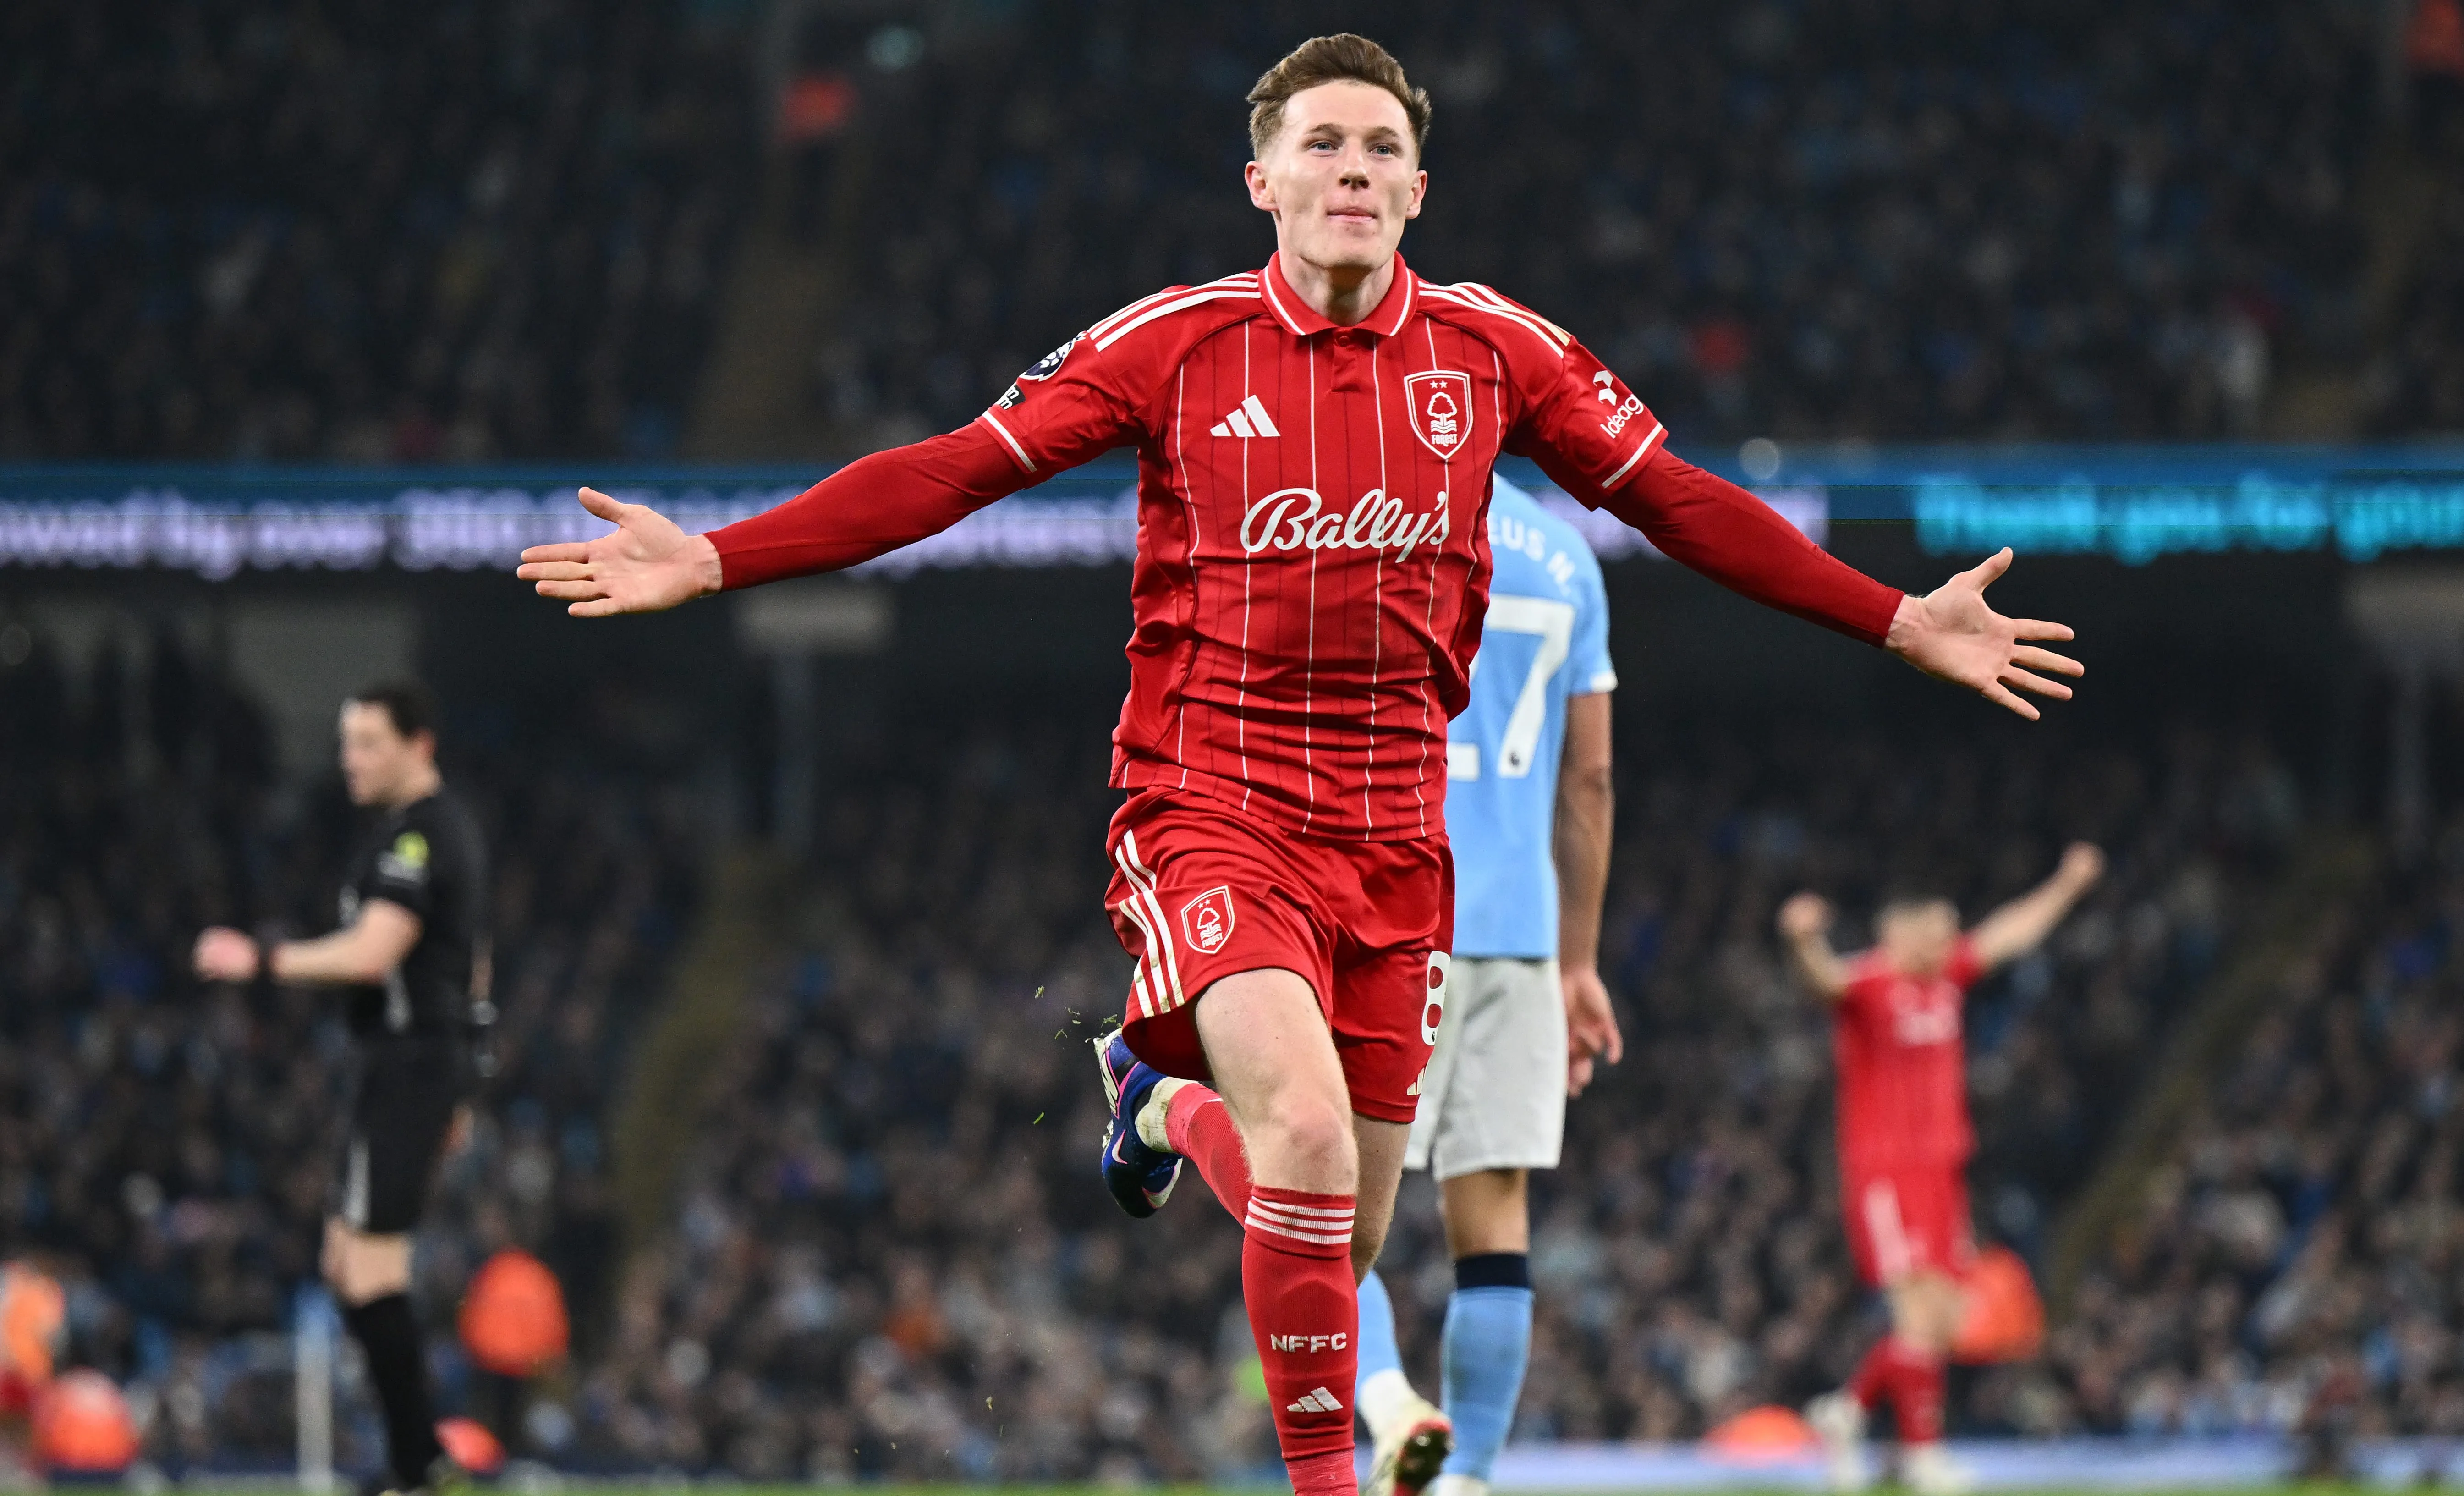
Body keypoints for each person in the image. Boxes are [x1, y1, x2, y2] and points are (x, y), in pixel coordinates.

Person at [515, 35, 2081, 1495]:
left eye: (1380, 146)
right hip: (1208, 812)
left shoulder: (1495, 356)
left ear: (1416, 187)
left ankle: (1152, 1096)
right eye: (1319, 142)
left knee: (1343, 1228)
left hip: (1401, 850)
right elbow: (948, 472)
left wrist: (1893, 619)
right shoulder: (1175, 348)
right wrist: (718, 559)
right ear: (1261, 180)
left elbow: (1678, 496)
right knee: (1315, 1144)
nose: (1351, 166)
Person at [1348, 478, 1622, 1496]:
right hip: (1517, 933)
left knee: (1326, 1209)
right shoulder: (1566, 558)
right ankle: (1469, 1477)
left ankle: (1385, 1411)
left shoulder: (1359, 517)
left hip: (1383, 918)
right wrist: (1578, 961)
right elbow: (1588, 782)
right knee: (1495, 1218)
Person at [194, 683, 489, 1496]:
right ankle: (413, 1460)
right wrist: (470, 1076)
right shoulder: (413, 834)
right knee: (348, 1262)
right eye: (346, 743)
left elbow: (372, 954)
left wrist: (261, 959)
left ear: (417, 744)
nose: (350, 759)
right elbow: (473, 962)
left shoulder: (422, 839)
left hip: (408, 1066)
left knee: (368, 1269)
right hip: (406, 1067)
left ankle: (418, 1467)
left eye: (368, 742)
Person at [1778, 844, 2106, 1495]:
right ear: (1897, 933)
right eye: (1935, 929)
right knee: (1915, 1315)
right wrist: (1802, 942)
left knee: (1948, 1316)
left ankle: (1846, 1411)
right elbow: (1822, 981)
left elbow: (2008, 933)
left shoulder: (1946, 977)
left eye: (1950, 929)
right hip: (1885, 1172)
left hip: (1939, 1171)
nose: (1948, 940)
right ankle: (1920, 1454)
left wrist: (2066, 886)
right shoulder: (1871, 985)